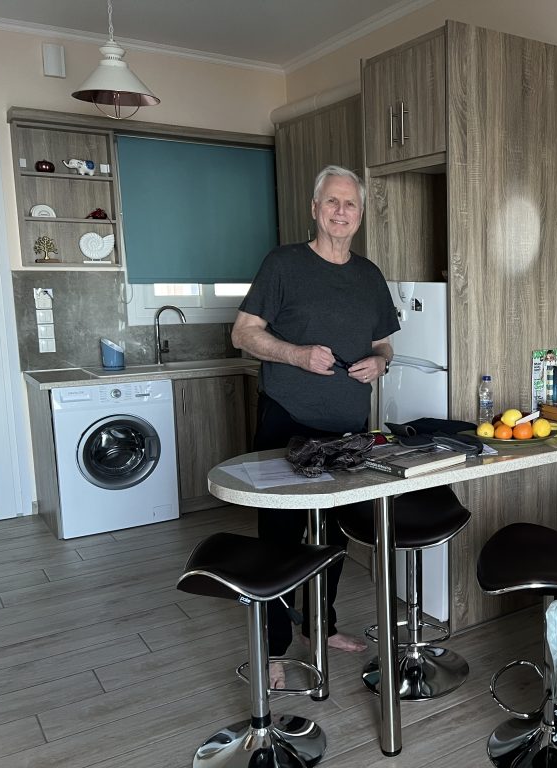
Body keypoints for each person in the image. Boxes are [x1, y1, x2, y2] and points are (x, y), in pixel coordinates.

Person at [231, 165, 400, 688]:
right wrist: (297, 354)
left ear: (361, 214)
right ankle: (274, 649)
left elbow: (384, 341)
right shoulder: (284, 264)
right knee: (280, 540)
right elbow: (243, 333)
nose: (341, 211)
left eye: (350, 204)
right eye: (332, 201)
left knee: (334, 537)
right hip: (287, 420)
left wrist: (381, 362)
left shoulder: (369, 275)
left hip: (347, 429)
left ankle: (320, 628)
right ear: (315, 208)